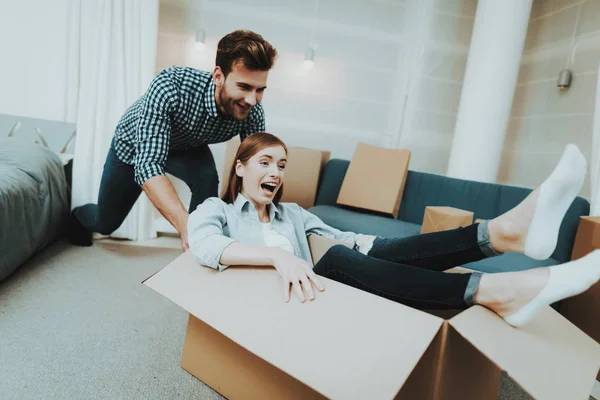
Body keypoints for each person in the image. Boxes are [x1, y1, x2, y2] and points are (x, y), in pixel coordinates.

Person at [187, 132, 598, 328]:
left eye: (281, 164)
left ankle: (502, 234)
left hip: (316, 292)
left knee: (363, 250)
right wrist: (279, 255)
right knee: (335, 258)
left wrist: (387, 247)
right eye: (264, 162)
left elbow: (345, 238)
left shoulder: (293, 213)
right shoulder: (217, 210)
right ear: (240, 167)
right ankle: (495, 286)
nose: (275, 171)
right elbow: (203, 246)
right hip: (270, 303)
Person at [68, 30, 278, 251]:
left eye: (260, 90)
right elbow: (148, 164)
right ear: (218, 76)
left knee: (207, 179)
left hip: (187, 146)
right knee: (106, 222)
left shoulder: (252, 111)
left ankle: (200, 251)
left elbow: (255, 170)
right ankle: (78, 216)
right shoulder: (171, 85)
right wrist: (185, 226)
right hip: (134, 145)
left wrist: (259, 226)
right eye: (243, 87)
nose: (252, 99)